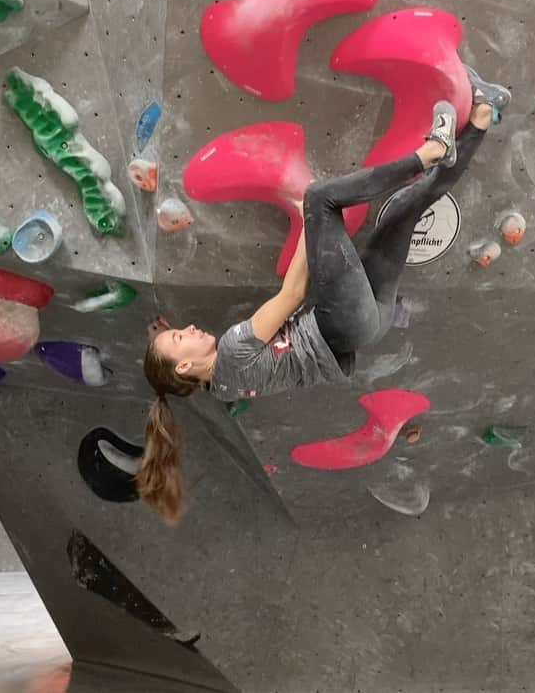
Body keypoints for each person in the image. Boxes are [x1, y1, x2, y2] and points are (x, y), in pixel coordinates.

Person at [138, 69, 510, 523]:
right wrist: (305, 221)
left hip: (365, 330)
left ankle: (485, 114)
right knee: (320, 198)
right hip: (345, 321)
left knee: (406, 211)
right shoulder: (234, 350)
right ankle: (433, 149)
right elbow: (293, 292)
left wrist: (309, 233)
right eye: (181, 338)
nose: (190, 329)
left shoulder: (223, 387)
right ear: (184, 366)